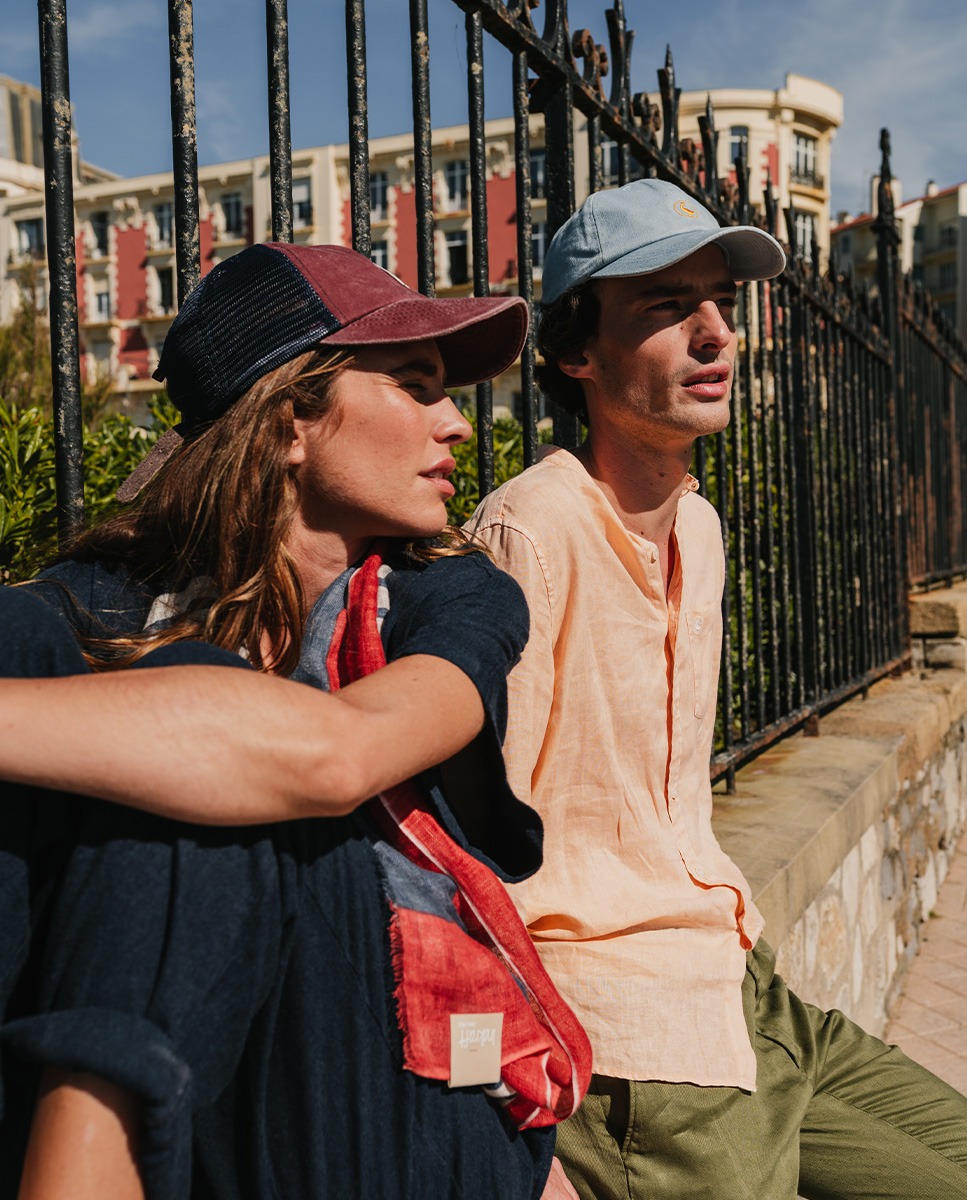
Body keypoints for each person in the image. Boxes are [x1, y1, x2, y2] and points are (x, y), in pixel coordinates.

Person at [0, 242, 589, 1199]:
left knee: (211, 745)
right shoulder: (91, 608)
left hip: (395, 1101)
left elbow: (338, 755)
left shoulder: (454, 595)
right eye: (414, 384)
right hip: (203, 1120)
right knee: (47, 651)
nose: (458, 425)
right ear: (288, 423)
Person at [466, 178, 967, 1199]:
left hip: (743, 986)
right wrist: (505, 1123)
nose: (713, 335)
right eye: (664, 308)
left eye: (721, 306)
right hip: (627, 1049)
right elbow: (462, 855)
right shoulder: (531, 531)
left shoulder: (698, 525)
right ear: (576, 352)